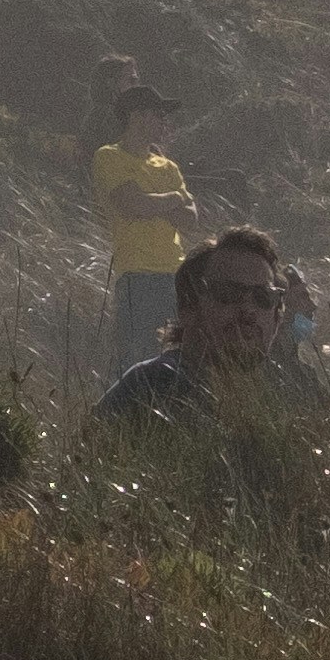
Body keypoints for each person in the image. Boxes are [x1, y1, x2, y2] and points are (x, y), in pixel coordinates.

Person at [94, 228, 292, 429]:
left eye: (263, 296)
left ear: (277, 318)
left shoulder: (282, 395)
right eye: (228, 293)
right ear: (188, 307)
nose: (248, 309)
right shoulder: (157, 385)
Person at [90, 80, 195, 360]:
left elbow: (190, 219)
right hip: (137, 276)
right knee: (138, 357)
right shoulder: (109, 156)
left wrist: (155, 203)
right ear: (136, 116)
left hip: (176, 275)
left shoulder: (168, 166)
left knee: (176, 356)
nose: (164, 122)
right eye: (158, 115)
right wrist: (173, 198)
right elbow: (133, 205)